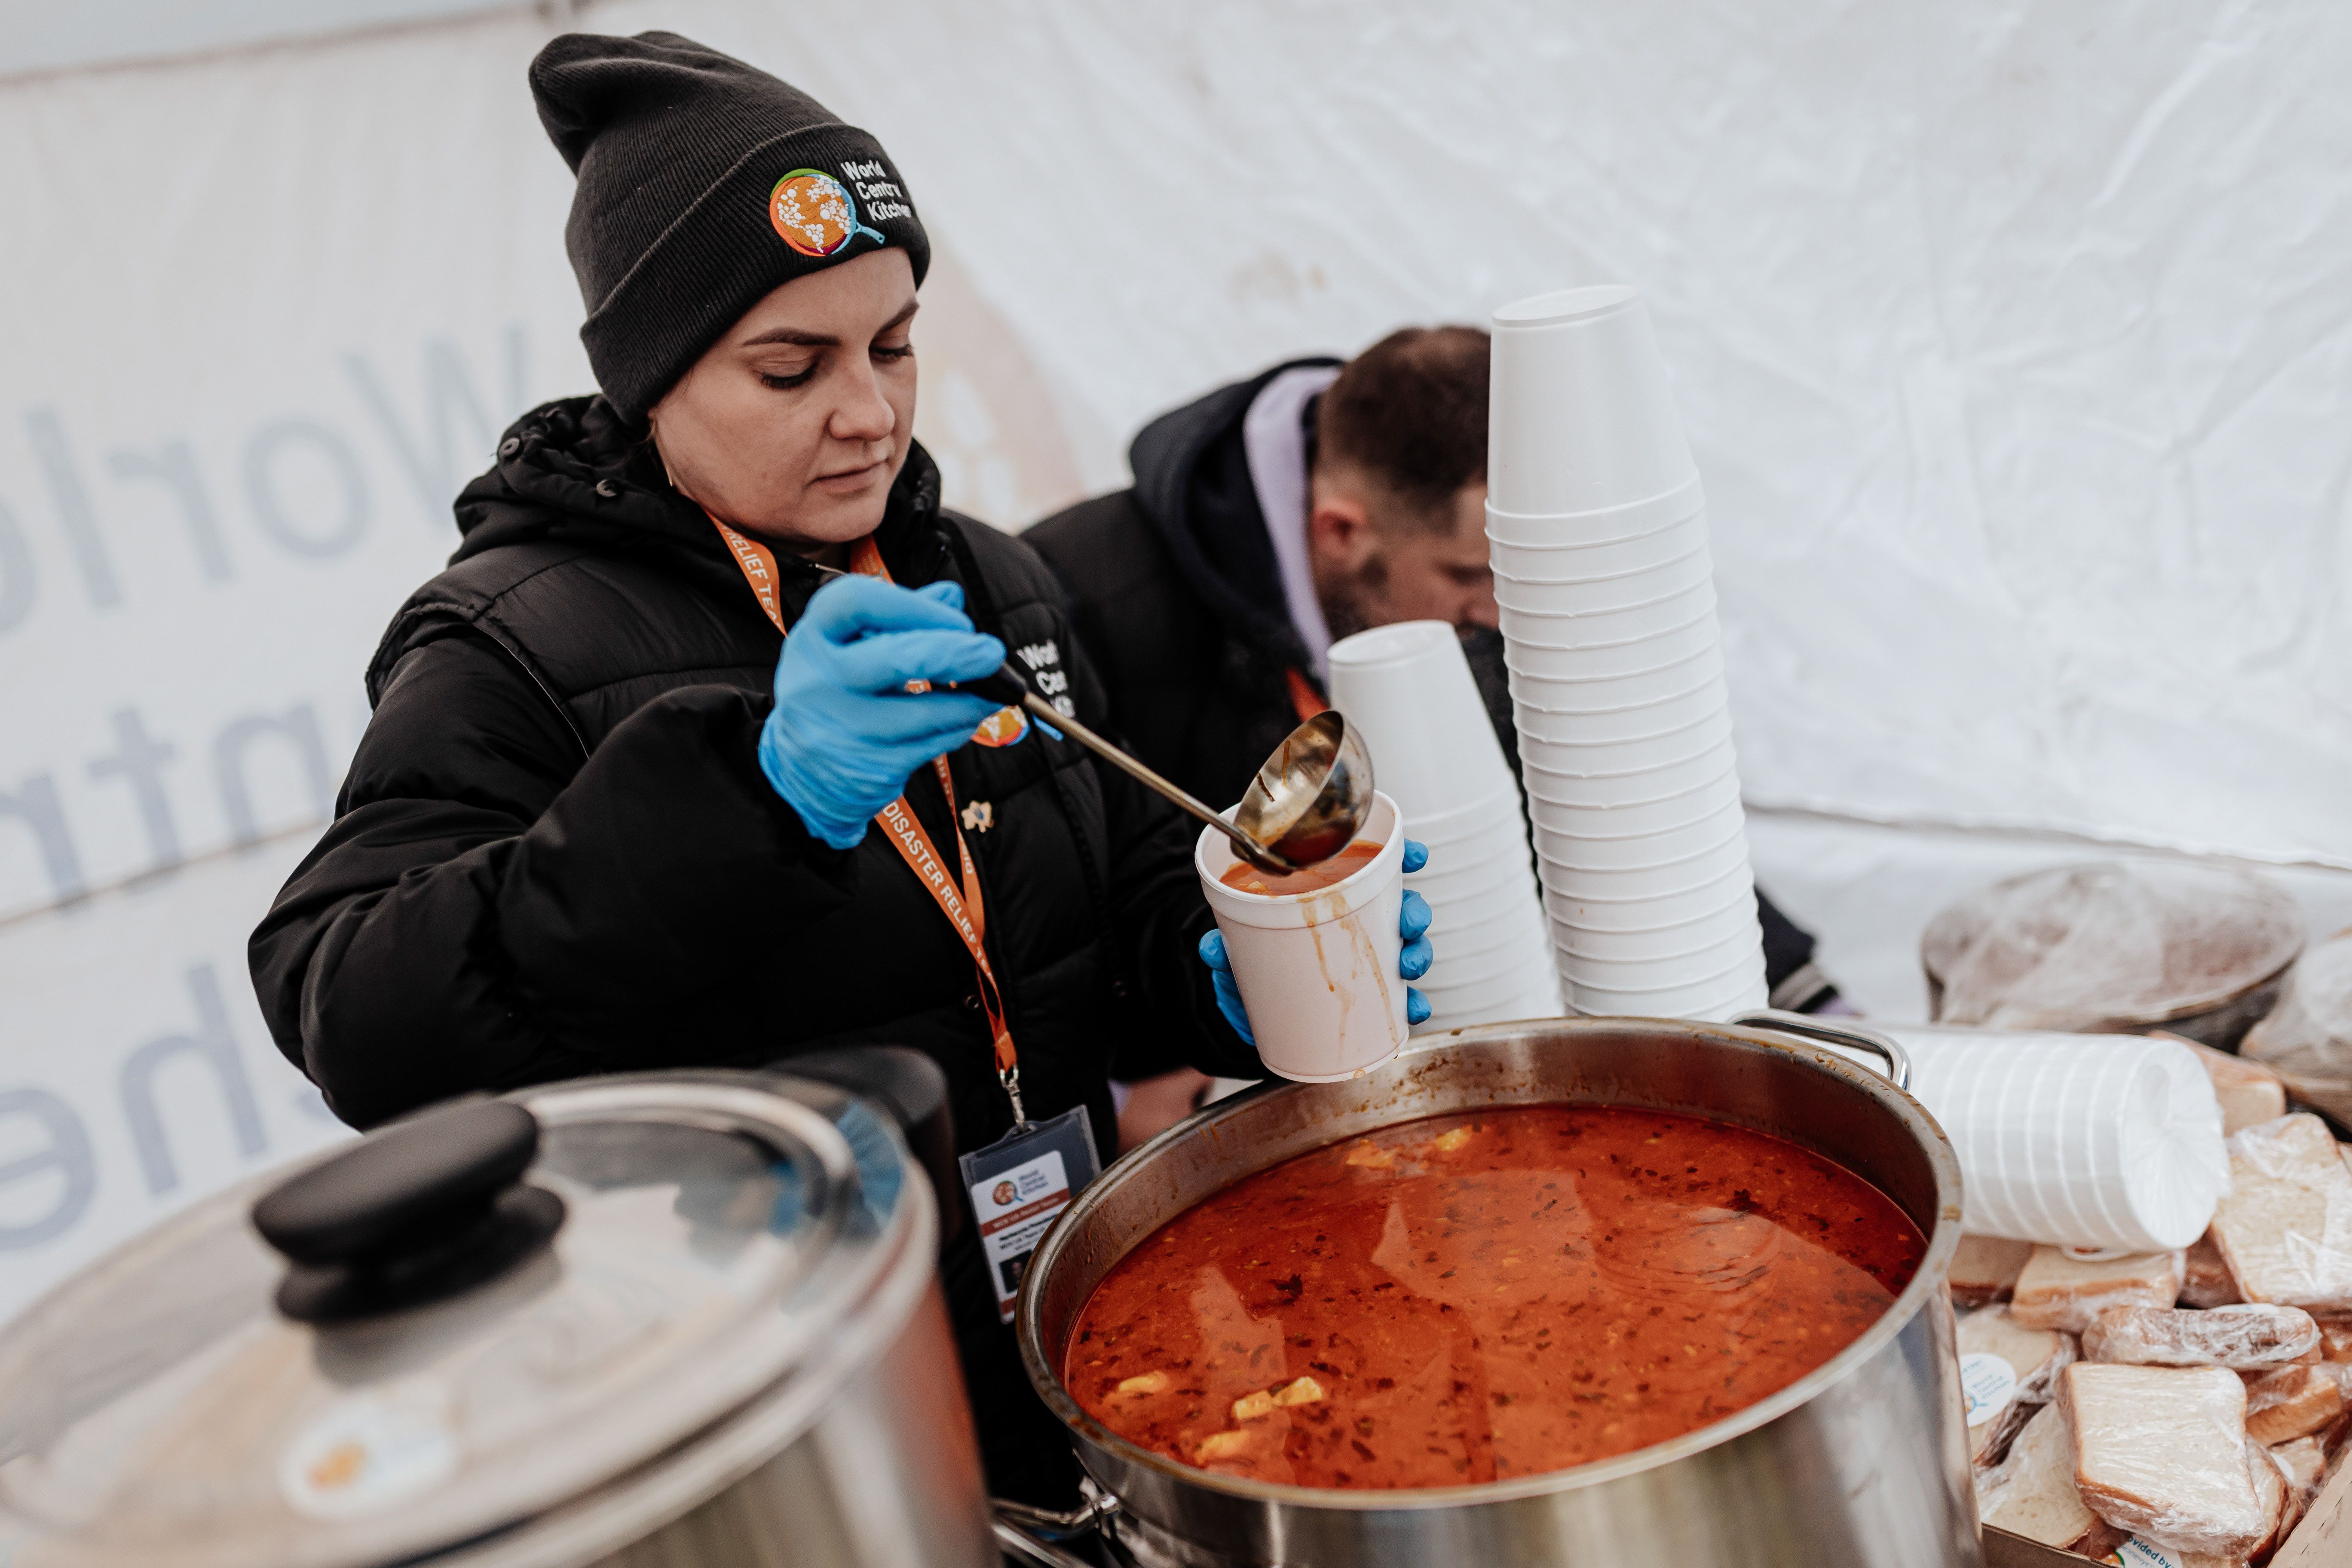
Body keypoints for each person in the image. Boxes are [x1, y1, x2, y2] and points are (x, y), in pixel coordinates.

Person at [246, 31, 1431, 1506]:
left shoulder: (991, 581)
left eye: (893, 342)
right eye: (791, 365)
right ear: (655, 375)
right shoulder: (513, 639)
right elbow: (351, 1003)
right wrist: (753, 793)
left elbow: (1101, 901)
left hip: (1064, 1323)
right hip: (780, 1400)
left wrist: (1217, 965)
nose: (868, 409)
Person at [1028, 330, 1843, 1133]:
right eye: (1465, 575)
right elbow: (1053, 908)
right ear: (1342, 532)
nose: (1494, 612)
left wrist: (1809, 993)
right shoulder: (1079, 599)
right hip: (1204, 1087)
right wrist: (1133, 1086)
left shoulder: (1475, 593)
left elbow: (1601, 779)